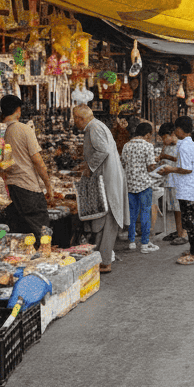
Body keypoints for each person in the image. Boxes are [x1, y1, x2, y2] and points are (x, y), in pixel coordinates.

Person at [73, 105, 129, 274]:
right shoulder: (97, 126)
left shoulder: (94, 128)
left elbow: (102, 151)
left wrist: (89, 168)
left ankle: (104, 262)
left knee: (106, 221)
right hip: (108, 178)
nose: (74, 122)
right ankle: (100, 259)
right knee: (103, 221)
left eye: (75, 118)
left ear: (81, 119)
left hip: (108, 181)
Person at [0, 94, 54, 241]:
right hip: (28, 186)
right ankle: (44, 261)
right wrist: (48, 185)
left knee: (21, 230)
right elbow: (37, 160)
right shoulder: (24, 129)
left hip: (11, 187)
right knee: (41, 231)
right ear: (18, 110)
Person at [163, 115, 194, 266]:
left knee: (188, 221)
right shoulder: (189, 144)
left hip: (187, 188)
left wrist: (170, 169)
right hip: (190, 186)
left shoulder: (185, 146)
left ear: (179, 129)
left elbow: (186, 168)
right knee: (190, 219)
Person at [120, 121, 159, 253]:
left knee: (132, 213)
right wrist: (155, 163)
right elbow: (150, 166)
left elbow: (123, 164)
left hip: (130, 184)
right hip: (144, 184)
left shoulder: (126, 145)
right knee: (145, 212)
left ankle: (131, 241)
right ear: (147, 134)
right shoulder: (148, 146)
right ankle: (145, 243)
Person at [156, 122, 181, 242]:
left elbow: (179, 159)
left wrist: (165, 157)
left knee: (179, 208)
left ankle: (182, 233)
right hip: (169, 180)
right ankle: (178, 230)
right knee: (174, 208)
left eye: (164, 137)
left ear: (172, 134)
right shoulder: (166, 147)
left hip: (177, 181)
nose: (163, 140)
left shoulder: (180, 145)